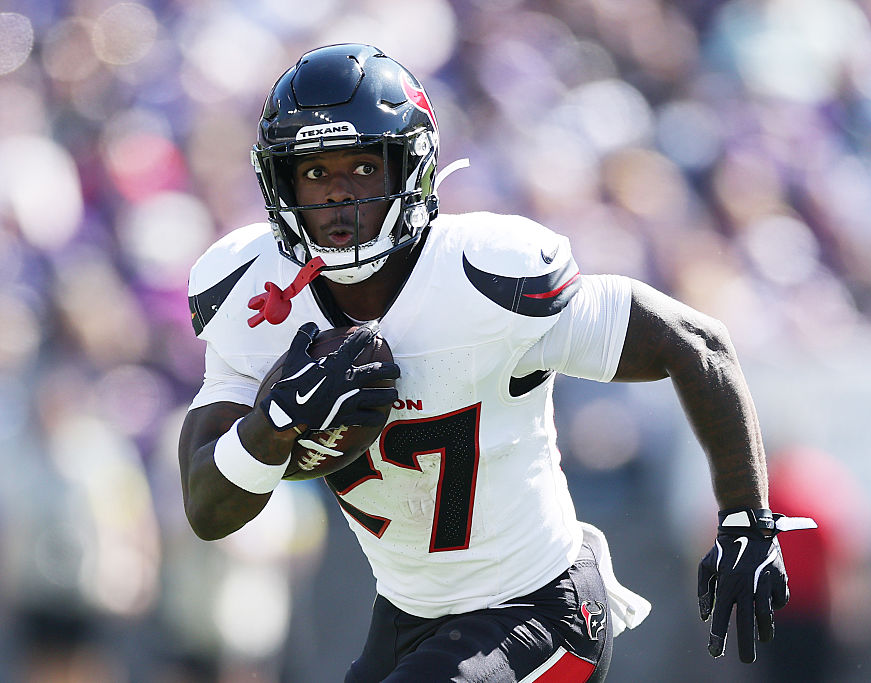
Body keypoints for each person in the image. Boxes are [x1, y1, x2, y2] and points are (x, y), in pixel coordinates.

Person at [178, 43, 815, 682]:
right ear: (281, 181)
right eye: (316, 171)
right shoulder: (252, 296)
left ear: (410, 168)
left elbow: (697, 343)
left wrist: (746, 518)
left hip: (541, 610)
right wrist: (270, 427)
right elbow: (207, 509)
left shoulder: (485, 279)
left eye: (364, 167)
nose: (339, 195)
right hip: (406, 616)